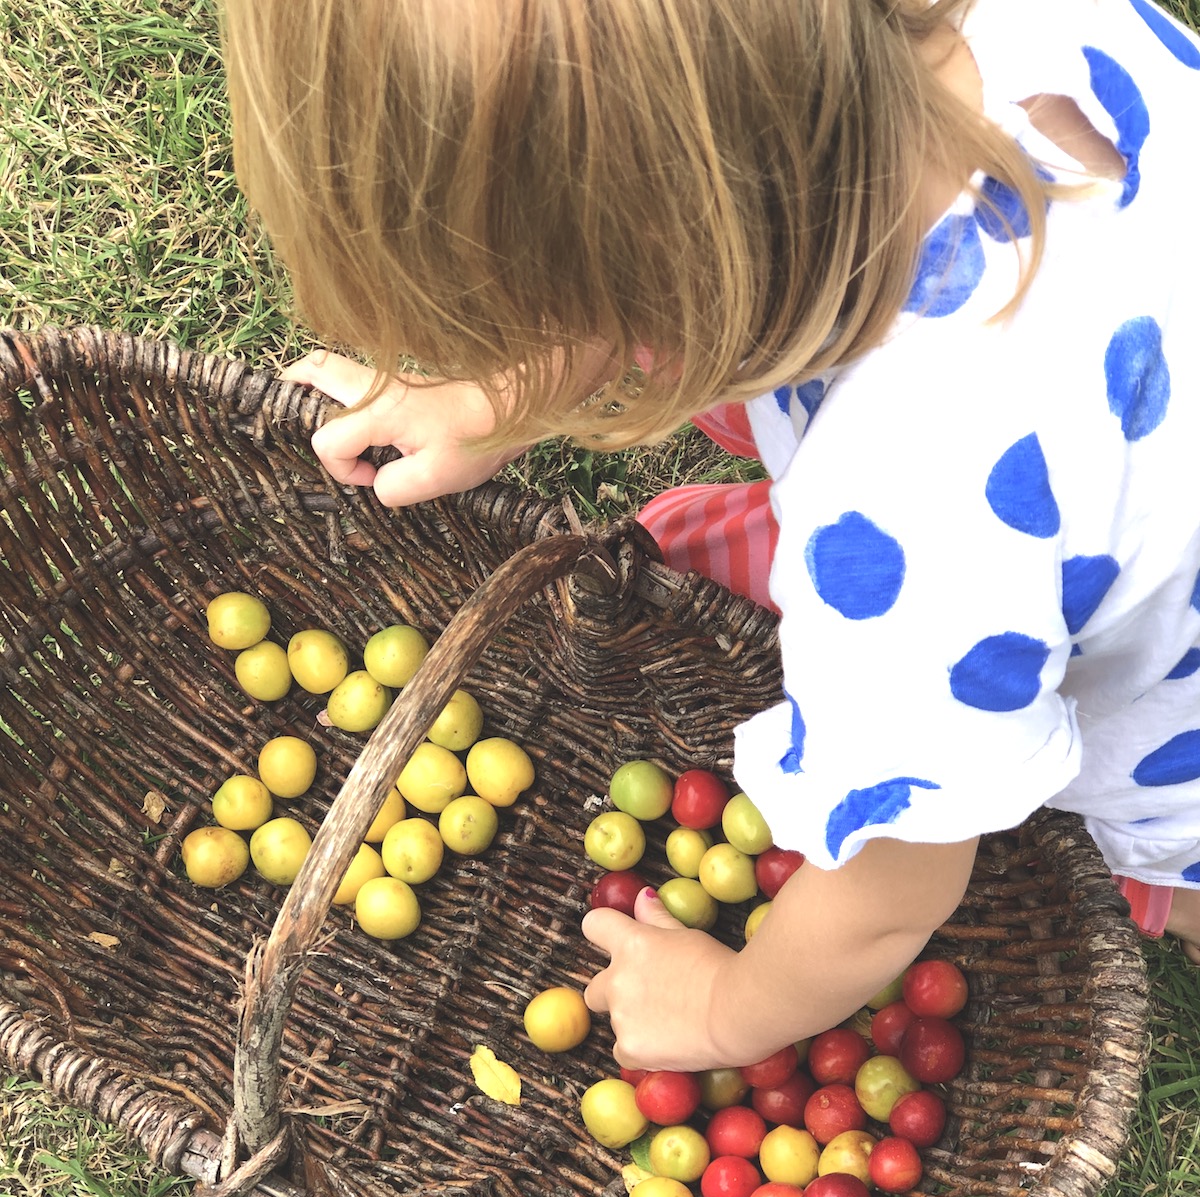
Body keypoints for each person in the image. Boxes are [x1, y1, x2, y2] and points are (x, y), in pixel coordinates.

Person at [221, 0, 1200, 1074]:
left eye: (533, 313)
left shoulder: (916, 527)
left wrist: (726, 1008)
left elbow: (890, 893)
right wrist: (504, 395)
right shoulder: (1004, 34)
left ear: (678, 270)